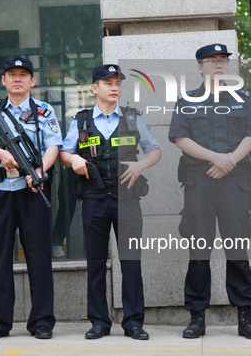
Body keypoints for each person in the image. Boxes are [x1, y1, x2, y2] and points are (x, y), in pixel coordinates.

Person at [168, 44, 251, 340]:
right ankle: (197, 317)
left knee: (237, 249)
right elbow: (180, 139)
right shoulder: (187, 100)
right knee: (199, 250)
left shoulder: (242, 98)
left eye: (223, 61)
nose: (219, 66)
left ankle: (245, 316)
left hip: (233, 181)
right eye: (212, 61)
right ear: (200, 67)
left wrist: (229, 161)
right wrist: (215, 158)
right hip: (200, 182)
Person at [59, 64, 161, 340]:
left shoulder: (133, 117)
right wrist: (74, 158)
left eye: (117, 83)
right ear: (95, 88)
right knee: (95, 263)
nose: (114, 87)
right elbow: (64, 154)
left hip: (127, 199)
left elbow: (155, 151)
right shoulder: (80, 121)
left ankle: (133, 323)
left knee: (131, 262)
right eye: (108, 83)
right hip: (93, 200)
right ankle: (99, 323)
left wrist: (141, 166)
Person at [0, 57, 62, 340]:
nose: (17, 79)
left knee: (39, 257)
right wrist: (0, 154)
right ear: (4, 81)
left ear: (33, 81)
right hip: (0, 194)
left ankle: (42, 322)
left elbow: (53, 147)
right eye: (12, 74)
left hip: (33, 192)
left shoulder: (44, 111)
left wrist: (39, 170)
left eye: (23, 74)